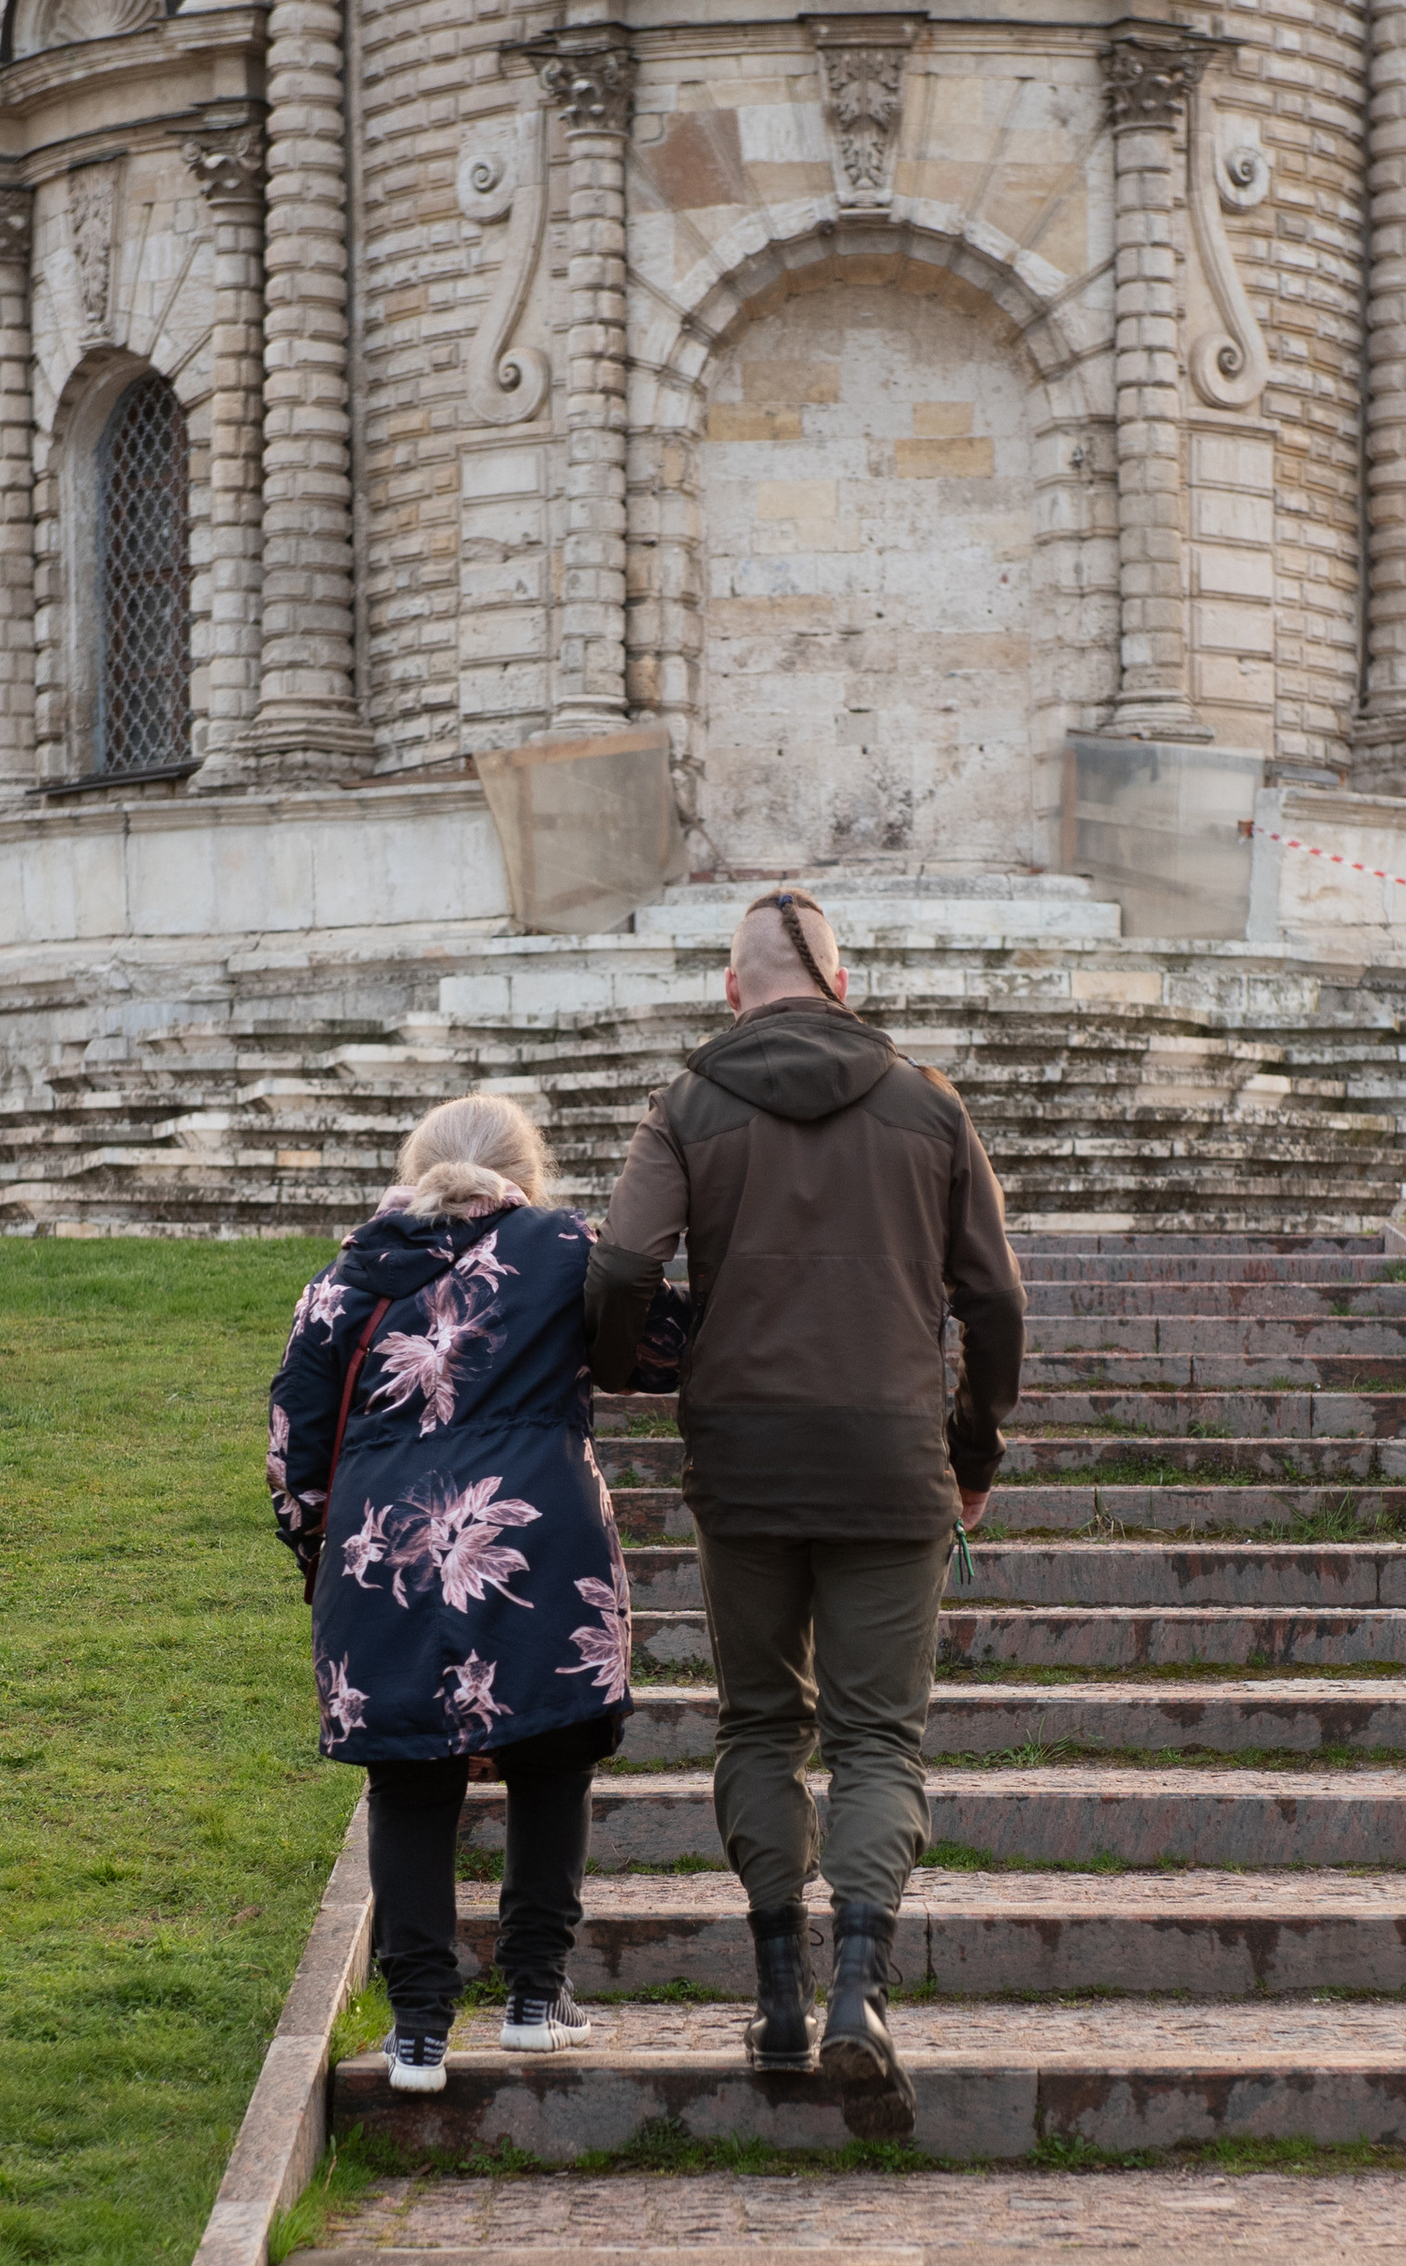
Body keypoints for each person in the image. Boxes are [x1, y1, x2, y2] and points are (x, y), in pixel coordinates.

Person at [585, 889, 1024, 2134]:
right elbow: (995, 1302)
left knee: (762, 1724)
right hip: (891, 1458)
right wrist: (973, 1450)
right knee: (878, 1739)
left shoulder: (688, 1102)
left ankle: (778, 1997)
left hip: (746, 1460)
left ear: (733, 988)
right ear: (842, 980)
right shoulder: (928, 1105)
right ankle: (856, 1995)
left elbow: (619, 1264)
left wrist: (626, 1369)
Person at [268, 1093, 631, 2094]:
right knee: (553, 1761)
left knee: (407, 1781)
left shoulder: (344, 1279)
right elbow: (659, 1344)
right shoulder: (568, 1250)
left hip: (379, 1551)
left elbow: (293, 1447)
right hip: (535, 1538)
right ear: (529, 1172)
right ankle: (535, 1999)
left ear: (414, 1167)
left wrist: (317, 1554)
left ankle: (419, 2029)